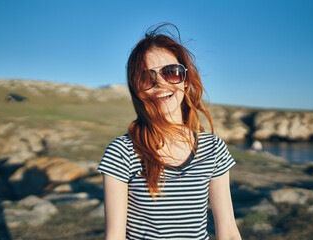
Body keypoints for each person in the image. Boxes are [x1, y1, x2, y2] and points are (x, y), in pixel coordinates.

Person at [98, 23, 241, 240]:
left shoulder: (214, 149)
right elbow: (114, 236)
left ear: (186, 80)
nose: (161, 84)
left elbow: (229, 232)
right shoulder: (121, 152)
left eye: (171, 73)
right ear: (137, 89)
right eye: (147, 77)